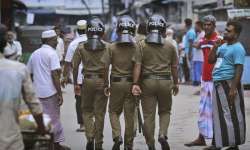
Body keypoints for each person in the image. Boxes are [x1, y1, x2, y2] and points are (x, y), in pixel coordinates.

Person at [132, 14, 179, 150]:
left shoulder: (141, 45)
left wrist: (135, 83)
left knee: (148, 116)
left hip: (147, 82)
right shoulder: (170, 45)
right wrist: (175, 83)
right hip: (165, 82)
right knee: (165, 111)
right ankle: (163, 134)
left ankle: (150, 143)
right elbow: (174, 67)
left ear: (148, 28)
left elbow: (137, 66)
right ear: (164, 29)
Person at [0, 24, 46, 150]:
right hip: (9, 139)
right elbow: (33, 103)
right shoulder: (18, 69)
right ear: (5, 43)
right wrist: (41, 128)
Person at [205, 21, 246, 150]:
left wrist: (233, 89)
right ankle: (217, 143)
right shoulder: (223, 46)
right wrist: (215, 47)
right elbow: (211, 60)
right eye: (226, 30)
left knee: (231, 114)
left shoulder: (238, 48)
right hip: (218, 83)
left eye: (229, 31)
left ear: (236, 34)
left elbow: (239, 69)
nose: (225, 32)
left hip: (229, 83)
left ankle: (233, 145)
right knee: (218, 115)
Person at [27, 30, 70, 150]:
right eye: (55, 40)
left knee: (40, 118)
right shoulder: (52, 54)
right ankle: (55, 144)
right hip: (50, 92)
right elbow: (55, 74)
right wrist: (60, 93)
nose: (57, 42)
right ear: (49, 40)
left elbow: (29, 74)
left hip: (37, 92)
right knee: (54, 119)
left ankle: (43, 143)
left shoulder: (35, 53)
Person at [101, 15, 138, 150]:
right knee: (129, 115)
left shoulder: (111, 47)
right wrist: (137, 84)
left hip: (115, 83)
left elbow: (105, 67)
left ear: (117, 31)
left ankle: (117, 136)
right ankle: (128, 145)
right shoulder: (136, 47)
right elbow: (139, 67)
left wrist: (106, 84)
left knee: (113, 112)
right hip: (130, 84)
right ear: (133, 31)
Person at [72, 17, 108, 150]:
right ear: (102, 32)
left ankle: (90, 136)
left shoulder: (81, 47)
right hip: (101, 80)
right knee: (100, 113)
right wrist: (107, 83)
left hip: (87, 81)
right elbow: (107, 66)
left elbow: (75, 67)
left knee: (86, 111)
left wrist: (76, 83)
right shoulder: (107, 47)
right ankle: (99, 143)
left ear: (87, 32)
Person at [185, 15, 221, 147]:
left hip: (215, 80)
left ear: (214, 25)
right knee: (203, 110)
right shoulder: (205, 38)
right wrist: (195, 39)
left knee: (214, 111)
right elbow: (196, 45)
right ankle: (201, 138)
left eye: (209, 24)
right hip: (205, 79)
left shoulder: (219, 40)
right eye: (205, 24)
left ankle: (216, 142)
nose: (206, 27)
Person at [62, 20, 87, 132]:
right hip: (95, 76)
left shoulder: (73, 44)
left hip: (79, 78)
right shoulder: (95, 42)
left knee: (79, 100)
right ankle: (92, 123)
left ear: (77, 30)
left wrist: (64, 77)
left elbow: (67, 63)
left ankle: (82, 125)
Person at [183, 18, 196, 83]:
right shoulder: (190, 31)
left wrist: (189, 53)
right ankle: (191, 79)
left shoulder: (190, 32)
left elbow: (191, 42)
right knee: (190, 66)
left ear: (186, 24)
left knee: (190, 66)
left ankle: (191, 79)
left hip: (190, 51)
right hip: (188, 50)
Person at [192, 21, 204, 86]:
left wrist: (194, 44)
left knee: (199, 72)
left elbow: (198, 46)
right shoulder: (199, 34)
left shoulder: (202, 34)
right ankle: (196, 82)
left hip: (200, 57)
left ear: (199, 26)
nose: (195, 27)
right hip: (197, 57)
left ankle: (198, 82)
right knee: (196, 71)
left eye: (196, 26)